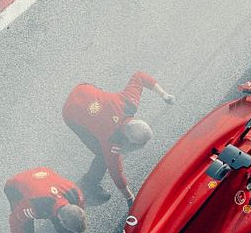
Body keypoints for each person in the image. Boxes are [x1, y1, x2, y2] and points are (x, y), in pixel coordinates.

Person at [62, 71, 173, 207]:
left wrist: (164, 95)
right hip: (71, 113)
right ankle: (89, 183)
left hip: (83, 89)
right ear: (128, 140)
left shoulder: (129, 102)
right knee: (102, 156)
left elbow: (140, 77)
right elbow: (116, 172)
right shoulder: (110, 142)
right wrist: (130, 198)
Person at [4, 167, 86, 233]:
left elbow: (76, 221)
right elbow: (14, 221)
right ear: (62, 222)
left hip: (44, 175)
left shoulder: (77, 195)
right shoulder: (33, 206)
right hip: (15, 186)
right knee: (26, 227)